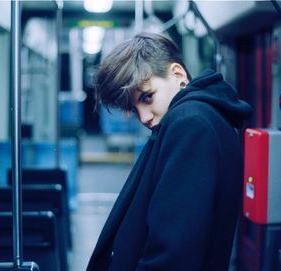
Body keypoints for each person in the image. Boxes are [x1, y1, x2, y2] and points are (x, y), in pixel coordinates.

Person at [87, 32, 252, 271]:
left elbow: (174, 251)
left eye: (147, 97)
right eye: (135, 109)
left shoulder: (191, 124)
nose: (144, 117)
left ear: (178, 74)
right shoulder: (199, 118)